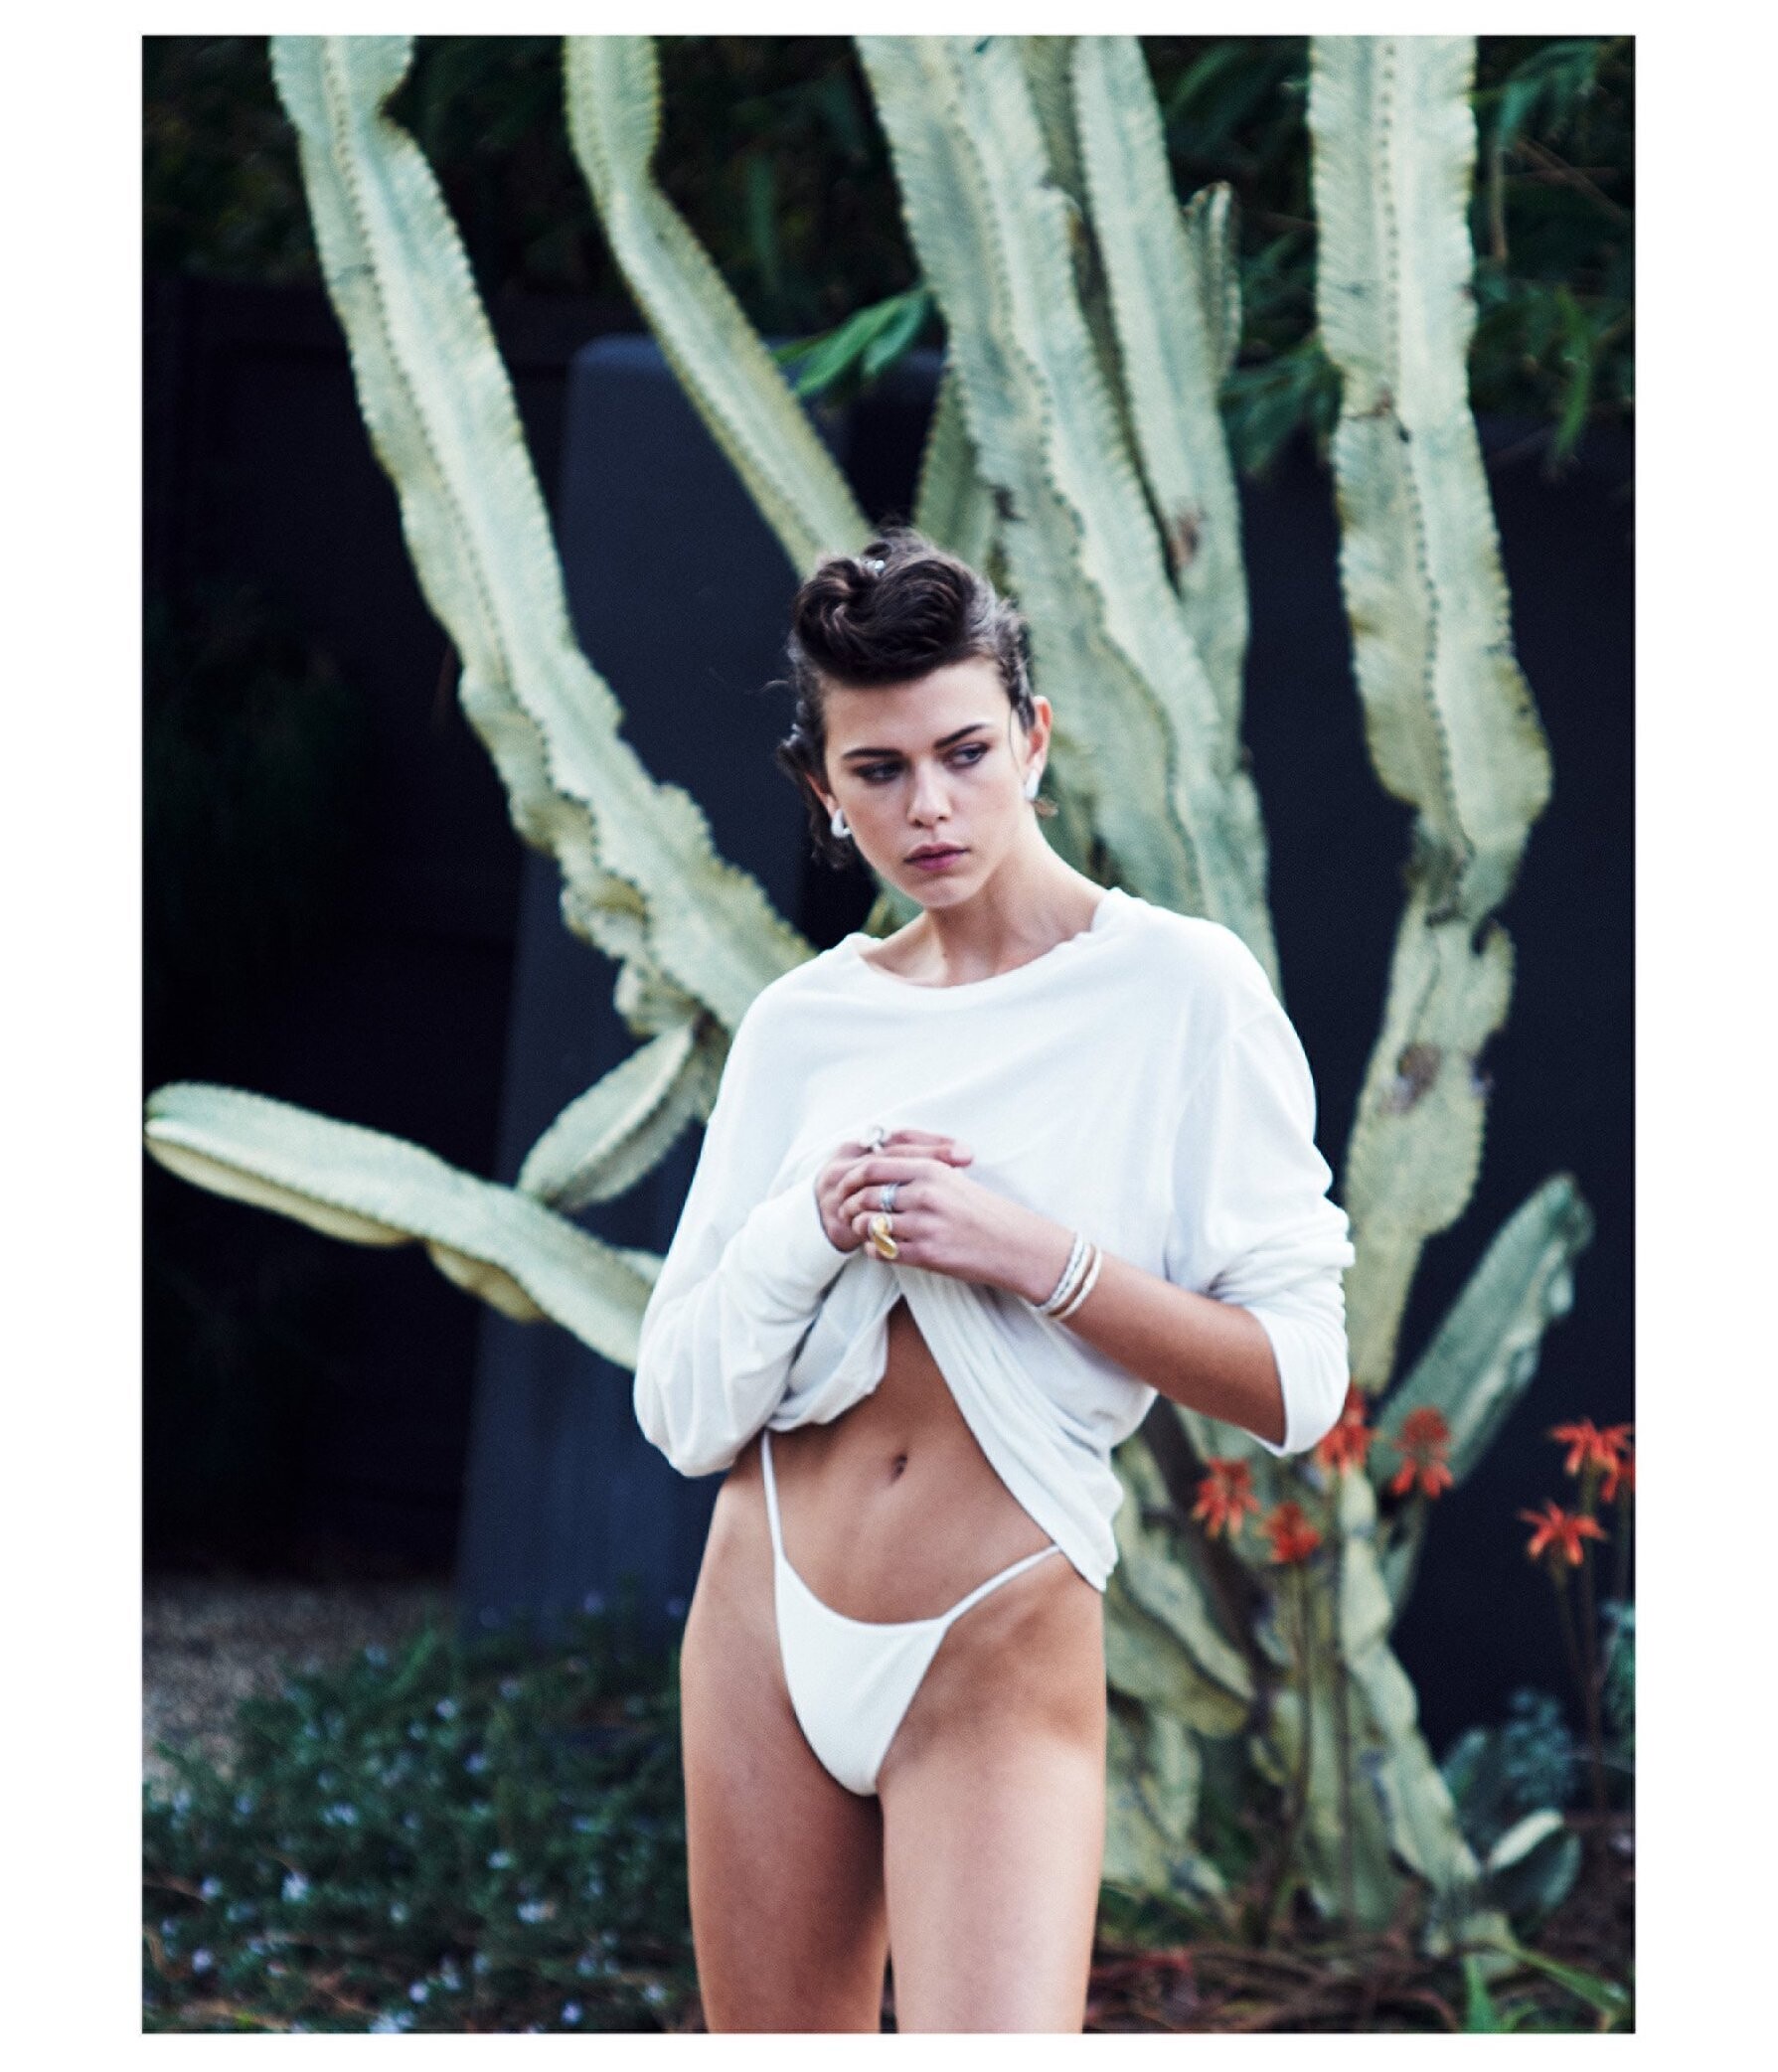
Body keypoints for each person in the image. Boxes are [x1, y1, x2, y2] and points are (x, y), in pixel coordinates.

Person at [631, 526, 1355, 2032]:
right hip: (760, 1613)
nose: (930, 805)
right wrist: (809, 1226)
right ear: (823, 791)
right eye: (878, 769)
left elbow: (1299, 1386)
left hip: (994, 1634)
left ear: (1032, 736)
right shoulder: (801, 1025)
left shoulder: (1180, 990)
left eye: (964, 752)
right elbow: (682, 1408)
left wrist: (1037, 1256)